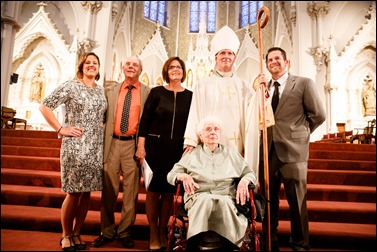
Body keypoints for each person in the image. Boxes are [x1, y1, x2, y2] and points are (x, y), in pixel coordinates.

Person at [258, 47, 326, 251]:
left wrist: (301, 134)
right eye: (270, 59)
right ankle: (270, 242)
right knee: (268, 203)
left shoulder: (303, 83)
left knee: (297, 203)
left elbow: (318, 115)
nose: (273, 62)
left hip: (294, 152)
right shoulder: (263, 87)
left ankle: (300, 244)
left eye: (278, 58)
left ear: (286, 62)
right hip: (267, 151)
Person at [39, 52, 107, 251]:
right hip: (75, 145)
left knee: (86, 193)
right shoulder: (71, 85)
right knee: (74, 192)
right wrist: (60, 129)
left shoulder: (101, 91)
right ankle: (65, 235)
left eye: (95, 63)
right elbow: (45, 106)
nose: (91, 65)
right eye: (88, 63)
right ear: (82, 66)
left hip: (95, 147)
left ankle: (78, 233)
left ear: (99, 67)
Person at [183, 25, 262, 183]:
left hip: (236, 145)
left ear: (234, 58)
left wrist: (261, 92)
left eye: (230, 53)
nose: (226, 56)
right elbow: (195, 112)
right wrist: (191, 140)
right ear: (215, 57)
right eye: (222, 53)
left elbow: (254, 112)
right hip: (209, 143)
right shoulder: (203, 84)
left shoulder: (243, 86)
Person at [167, 115, 257, 250]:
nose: (213, 132)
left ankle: (229, 245)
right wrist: (183, 175)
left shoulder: (231, 154)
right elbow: (171, 175)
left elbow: (250, 173)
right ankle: (194, 243)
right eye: (208, 129)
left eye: (216, 129)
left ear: (220, 134)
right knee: (205, 200)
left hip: (226, 195)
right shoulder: (192, 154)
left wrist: (244, 180)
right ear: (201, 136)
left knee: (223, 202)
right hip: (198, 195)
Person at [92, 56, 151, 249]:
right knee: (108, 191)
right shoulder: (109, 91)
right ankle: (106, 231)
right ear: (122, 67)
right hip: (112, 144)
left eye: (135, 65)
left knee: (130, 193)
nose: (131, 67)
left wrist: (143, 146)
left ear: (140, 70)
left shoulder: (147, 92)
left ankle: (125, 232)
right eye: (128, 64)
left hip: (132, 146)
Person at [135, 56, 192, 251]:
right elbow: (145, 120)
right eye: (171, 67)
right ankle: (152, 233)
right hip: (155, 147)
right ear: (166, 71)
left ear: (183, 72)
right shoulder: (157, 92)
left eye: (178, 67)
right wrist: (141, 146)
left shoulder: (190, 95)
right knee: (153, 192)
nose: (175, 70)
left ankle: (162, 231)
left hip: (177, 150)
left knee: (168, 193)